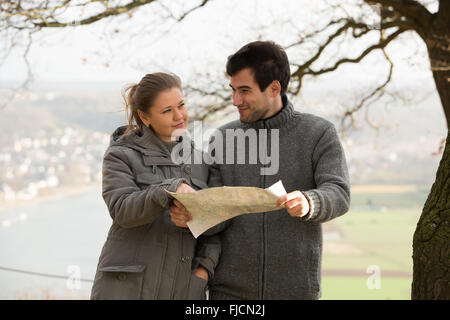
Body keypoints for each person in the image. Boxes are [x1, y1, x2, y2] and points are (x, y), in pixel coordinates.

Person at [170, 41, 350, 300]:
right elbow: (217, 219)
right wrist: (193, 216)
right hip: (227, 293)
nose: (235, 100)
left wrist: (310, 201)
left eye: (244, 91)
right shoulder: (222, 138)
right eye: (233, 90)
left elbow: (339, 193)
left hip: (296, 291)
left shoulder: (318, 133)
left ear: (274, 88)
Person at [90, 72, 220, 300]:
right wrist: (167, 191)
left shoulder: (201, 161)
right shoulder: (121, 155)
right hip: (125, 290)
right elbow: (121, 210)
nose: (179, 116)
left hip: (182, 291)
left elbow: (220, 224)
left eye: (181, 105)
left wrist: (203, 271)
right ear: (145, 116)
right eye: (167, 110)